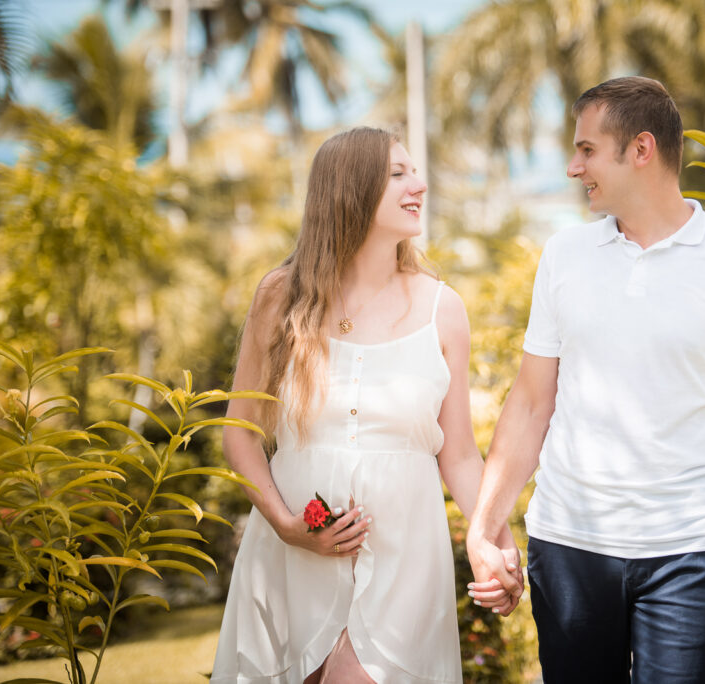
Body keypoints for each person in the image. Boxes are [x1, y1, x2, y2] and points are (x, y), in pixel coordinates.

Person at [466, 77, 705, 683]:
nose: (573, 167)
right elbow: (530, 401)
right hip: (569, 544)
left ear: (641, 149)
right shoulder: (565, 255)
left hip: (691, 552)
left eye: (587, 150)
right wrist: (486, 526)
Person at [211, 127, 518, 684]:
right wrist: (285, 525)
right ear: (351, 189)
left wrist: (497, 540)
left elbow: (461, 455)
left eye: (414, 171)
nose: (418, 185)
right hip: (292, 554)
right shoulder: (280, 297)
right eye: (398, 173)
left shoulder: (441, 308)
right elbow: (240, 432)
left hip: (404, 556)